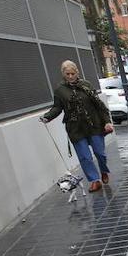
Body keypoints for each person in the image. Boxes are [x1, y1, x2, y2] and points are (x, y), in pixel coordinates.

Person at [41, 60, 113, 192]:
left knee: (100, 153)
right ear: (63, 74)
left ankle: (103, 171)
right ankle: (94, 180)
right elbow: (57, 107)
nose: (70, 76)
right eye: (67, 74)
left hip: (94, 125)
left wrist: (107, 121)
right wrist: (47, 117)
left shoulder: (86, 85)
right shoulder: (60, 90)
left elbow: (99, 105)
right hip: (75, 128)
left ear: (77, 72)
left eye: (72, 73)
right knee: (85, 157)